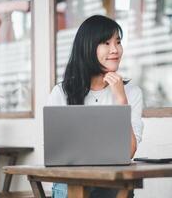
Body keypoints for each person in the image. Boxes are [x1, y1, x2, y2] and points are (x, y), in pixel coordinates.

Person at [47, 15, 143, 198]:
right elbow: (56, 153)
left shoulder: (131, 92)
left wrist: (121, 100)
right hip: (71, 184)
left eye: (118, 42)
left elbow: (129, 152)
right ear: (88, 47)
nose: (115, 49)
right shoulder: (62, 92)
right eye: (106, 43)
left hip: (113, 184)